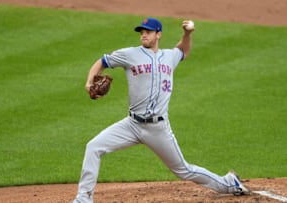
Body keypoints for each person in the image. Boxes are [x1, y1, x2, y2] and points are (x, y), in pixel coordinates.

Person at [73, 17, 249, 203]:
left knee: (184, 170)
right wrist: (89, 81)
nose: (144, 35)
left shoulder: (169, 56)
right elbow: (102, 61)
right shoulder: (129, 54)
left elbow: (183, 51)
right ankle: (83, 199)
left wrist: (187, 33)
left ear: (158, 34)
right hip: (131, 124)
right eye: (142, 32)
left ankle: (229, 183)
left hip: (158, 129)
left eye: (148, 32)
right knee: (94, 147)